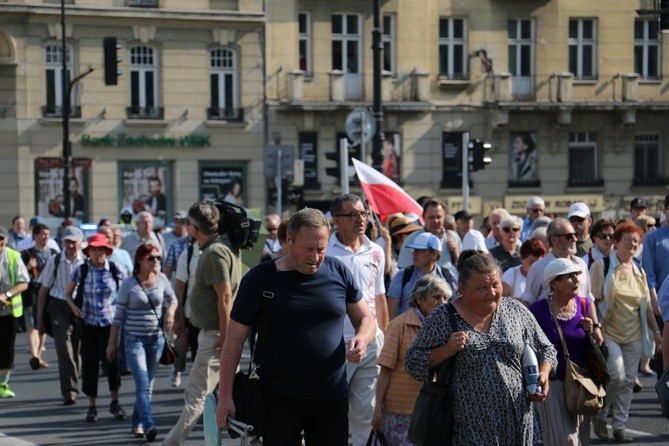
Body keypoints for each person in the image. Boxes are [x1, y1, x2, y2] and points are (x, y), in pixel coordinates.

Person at [216, 208, 376, 445]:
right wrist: (225, 396)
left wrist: (362, 339)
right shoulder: (261, 278)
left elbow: (367, 319)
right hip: (278, 398)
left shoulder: (338, 271)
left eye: (321, 249)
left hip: (330, 397)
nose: (315, 257)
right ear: (289, 240)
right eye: (308, 249)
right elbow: (234, 339)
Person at [404, 252, 557, 445]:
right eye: (482, 288)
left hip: (519, 424)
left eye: (496, 285)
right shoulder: (443, 318)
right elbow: (412, 363)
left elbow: (547, 350)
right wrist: (447, 349)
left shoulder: (516, 311)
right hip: (468, 429)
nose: (492, 293)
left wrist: (543, 374)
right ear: (462, 288)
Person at [162, 201, 242, 446]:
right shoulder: (221, 247)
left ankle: (171, 443)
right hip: (217, 333)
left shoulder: (215, 252)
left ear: (194, 228)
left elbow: (225, 296)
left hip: (215, 335)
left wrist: (224, 336)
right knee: (231, 393)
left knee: (196, 396)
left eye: (188, 225)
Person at [590, 221, 662, 442]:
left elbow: (647, 306)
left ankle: (620, 426)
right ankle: (601, 415)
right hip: (609, 331)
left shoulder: (639, 270)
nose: (632, 244)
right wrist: (596, 327)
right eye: (628, 239)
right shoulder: (602, 266)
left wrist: (657, 333)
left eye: (636, 241)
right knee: (617, 376)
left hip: (634, 333)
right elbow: (592, 299)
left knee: (629, 380)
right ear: (616, 242)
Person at [327, 194, 388, 446]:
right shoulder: (324, 252)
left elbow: (379, 296)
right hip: (332, 344)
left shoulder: (375, 251)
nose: (360, 219)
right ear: (336, 221)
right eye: (353, 214)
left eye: (363, 213)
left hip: (370, 343)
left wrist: (384, 336)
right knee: (331, 412)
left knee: (366, 412)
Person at [107, 244, 177, 441]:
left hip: (156, 339)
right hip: (134, 339)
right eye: (151, 258)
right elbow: (118, 316)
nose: (156, 261)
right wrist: (112, 343)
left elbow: (173, 300)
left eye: (158, 257)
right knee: (143, 382)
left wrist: (170, 313)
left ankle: (137, 423)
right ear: (140, 260)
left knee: (148, 385)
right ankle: (148, 424)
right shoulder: (128, 284)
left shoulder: (161, 279)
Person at [529, 258, 602, 445]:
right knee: (564, 440)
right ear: (554, 283)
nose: (577, 280)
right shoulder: (538, 311)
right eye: (570, 276)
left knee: (581, 440)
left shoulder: (583, 305)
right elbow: (528, 347)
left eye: (577, 275)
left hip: (581, 383)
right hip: (553, 383)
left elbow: (594, 344)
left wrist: (591, 331)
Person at [372, 275, 452, 444]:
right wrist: (378, 408)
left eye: (445, 298)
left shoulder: (445, 328)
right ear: (419, 298)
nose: (442, 303)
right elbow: (385, 370)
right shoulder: (400, 325)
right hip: (400, 411)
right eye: (436, 297)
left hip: (431, 409)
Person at [65, 234, 126, 423]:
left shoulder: (115, 269)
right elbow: (67, 294)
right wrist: (74, 307)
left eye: (101, 250)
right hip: (89, 323)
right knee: (90, 365)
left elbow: (125, 293)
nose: (97, 253)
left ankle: (115, 402)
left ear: (106, 252)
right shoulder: (81, 270)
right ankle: (92, 405)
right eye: (94, 250)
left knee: (112, 363)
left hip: (111, 324)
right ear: (88, 252)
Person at [36, 225, 85, 404]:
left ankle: (73, 383)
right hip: (58, 306)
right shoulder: (55, 261)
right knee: (64, 350)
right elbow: (43, 290)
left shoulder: (85, 261)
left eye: (74, 242)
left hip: (79, 307)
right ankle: (69, 390)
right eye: (67, 242)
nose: (71, 246)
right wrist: (40, 319)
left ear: (80, 242)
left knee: (76, 349)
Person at [521, 218, 595, 309]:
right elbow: (528, 301)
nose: (575, 239)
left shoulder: (581, 264)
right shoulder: (538, 268)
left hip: (580, 322)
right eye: (569, 236)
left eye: (575, 235)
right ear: (554, 239)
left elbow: (588, 299)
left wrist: (595, 323)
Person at [387, 232, 454, 319]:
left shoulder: (448, 276)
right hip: (409, 331)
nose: (414, 254)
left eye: (420, 251)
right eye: (414, 250)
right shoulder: (402, 276)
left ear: (434, 255)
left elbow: (455, 306)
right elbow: (392, 310)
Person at [20, 223, 58, 370]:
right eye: (43, 234)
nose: (46, 237)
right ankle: (35, 356)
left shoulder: (54, 253)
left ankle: (38, 356)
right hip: (31, 293)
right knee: (31, 325)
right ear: (35, 236)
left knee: (42, 324)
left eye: (48, 234)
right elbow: (19, 274)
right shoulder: (26, 254)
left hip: (48, 293)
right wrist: (28, 267)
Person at [0, 225, 29, 398]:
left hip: (8, 311)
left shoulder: (13, 257)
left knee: (6, 351)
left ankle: (3, 385)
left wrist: (7, 294)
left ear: (6, 239)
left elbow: (24, 282)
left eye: (1, 239)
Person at [641, 193, 668, 370]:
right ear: (665, 211)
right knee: (664, 346)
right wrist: (653, 298)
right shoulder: (652, 237)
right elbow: (648, 272)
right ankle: (664, 387)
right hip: (663, 300)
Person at [170, 238, 201, 388]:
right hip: (192, 316)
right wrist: (179, 324)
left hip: (214, 320)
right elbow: (179, 290)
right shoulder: (187, 255)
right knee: (195, 360)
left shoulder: (224, 252)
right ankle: (177, 368)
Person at [397, 199, 460, 270]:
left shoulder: (453, 237)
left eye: (439, 217)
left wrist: (456, 254)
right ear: (423, 217)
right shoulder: (412, 239)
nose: (435, 221)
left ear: (444, 217)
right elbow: (404, 269)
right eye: (431, 217)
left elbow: (463, 269)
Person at [162, 211, 189, 276]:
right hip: (169, 274)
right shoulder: (163, 237)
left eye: (181, 222)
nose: (178, 224)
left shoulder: (190, 239)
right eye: (176, 221)